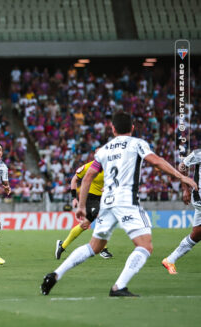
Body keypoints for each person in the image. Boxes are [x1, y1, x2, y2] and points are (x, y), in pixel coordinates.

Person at [40, 112, 198, 297]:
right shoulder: (137, 143)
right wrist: (181, 176)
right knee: (145, 246)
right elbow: (157, 161)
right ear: (132, 128)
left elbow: (88, 176)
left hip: (106, 202)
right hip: (126, 201)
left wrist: (81, 205)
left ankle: (56, 274)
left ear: (113, 129)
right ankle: (119, 286)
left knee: (94, 247)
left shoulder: (104, 150)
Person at [55, 158, 113, 260]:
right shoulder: (89, 166)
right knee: (100, 215)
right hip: (90, 197)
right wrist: (74, 198)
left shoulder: (112, 166)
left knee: (85, 224)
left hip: (103, 198)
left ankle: (62, 245)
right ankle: (103, 249)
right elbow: (74, 180)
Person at [162, 150, 201, 274]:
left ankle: (170, 260)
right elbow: (182, 166)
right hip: (199, 195)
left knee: (197, 234)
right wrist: (185, 189)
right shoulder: (198, 153)